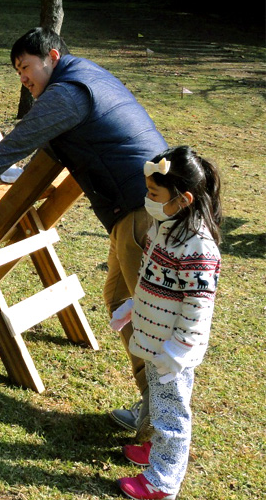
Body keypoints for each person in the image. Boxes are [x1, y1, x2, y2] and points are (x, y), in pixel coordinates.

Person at [0, 28, 168, 436]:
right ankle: (151, 403)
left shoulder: (68, 92)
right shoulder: (88, 76)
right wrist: (14, 174)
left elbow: (22, 138)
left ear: (52, 56)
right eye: (18, 71)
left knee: (150, 319)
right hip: (135, 208)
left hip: (141, 211)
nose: (23, 78)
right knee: (119, 299)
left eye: (26, 66)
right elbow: (53, 144)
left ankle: (158, 431)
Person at [115, 146, 222, 499]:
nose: (147, 198)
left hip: (171, 350)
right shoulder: (165, 227)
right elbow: (150, 275)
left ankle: (162, 482)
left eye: (154, 193)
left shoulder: (199, 248)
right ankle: (158, 451)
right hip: (153, 337)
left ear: (183, 198)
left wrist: (177, 351)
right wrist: (134, 304)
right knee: (160, 405)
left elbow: (197, 307)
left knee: (171, 415)